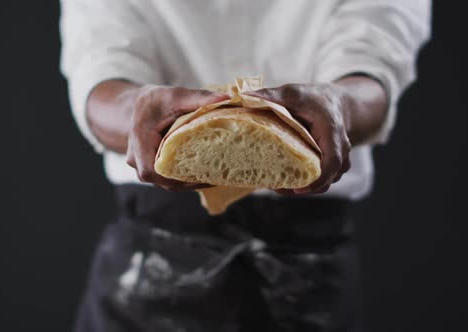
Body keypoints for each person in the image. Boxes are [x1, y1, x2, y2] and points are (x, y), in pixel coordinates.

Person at [60, 0, 431, 331]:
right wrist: (135, 111)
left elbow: (375, 53)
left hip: (306, 262)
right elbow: (100, 61)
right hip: (151, 257)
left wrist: (341, 104)